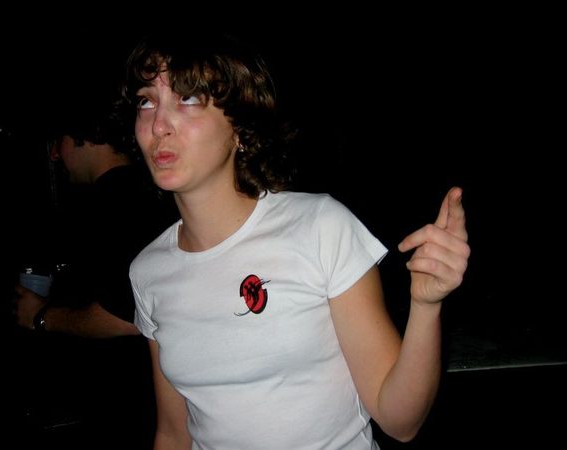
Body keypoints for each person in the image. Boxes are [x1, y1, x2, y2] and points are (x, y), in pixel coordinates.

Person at [124, 32, 470, 449]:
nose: (159, 125)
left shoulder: (319, 227)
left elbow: (400, 421)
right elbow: (173, 432)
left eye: (189, 98)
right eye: (147, 101)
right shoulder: (149, 271)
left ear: (238, 128)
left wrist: (426, 306)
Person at [12, 91, 178, 449]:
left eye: (59, 141)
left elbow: (128, 317)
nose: (56, 155)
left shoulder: (115, 201)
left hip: (128, 406)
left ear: (84, 137)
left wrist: (41, 316)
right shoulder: (140, 192)